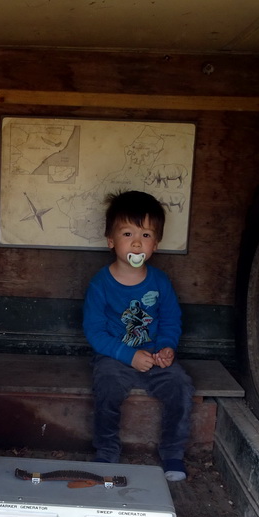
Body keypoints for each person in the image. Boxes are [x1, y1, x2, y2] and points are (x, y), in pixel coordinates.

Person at [82, 190, 194, 481]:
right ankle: (107, 450)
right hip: (115, 356)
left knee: (181, 385)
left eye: (145, 235)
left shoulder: (159, 281)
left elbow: (170, 319)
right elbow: (95, 332)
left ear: (155, 244)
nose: (136, 242)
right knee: (106, 385)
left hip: (155, 355)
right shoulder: (101, 284)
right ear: (111, 240)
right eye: (128, 233)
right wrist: (128, 355)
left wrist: (167, 347)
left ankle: (173, 453)